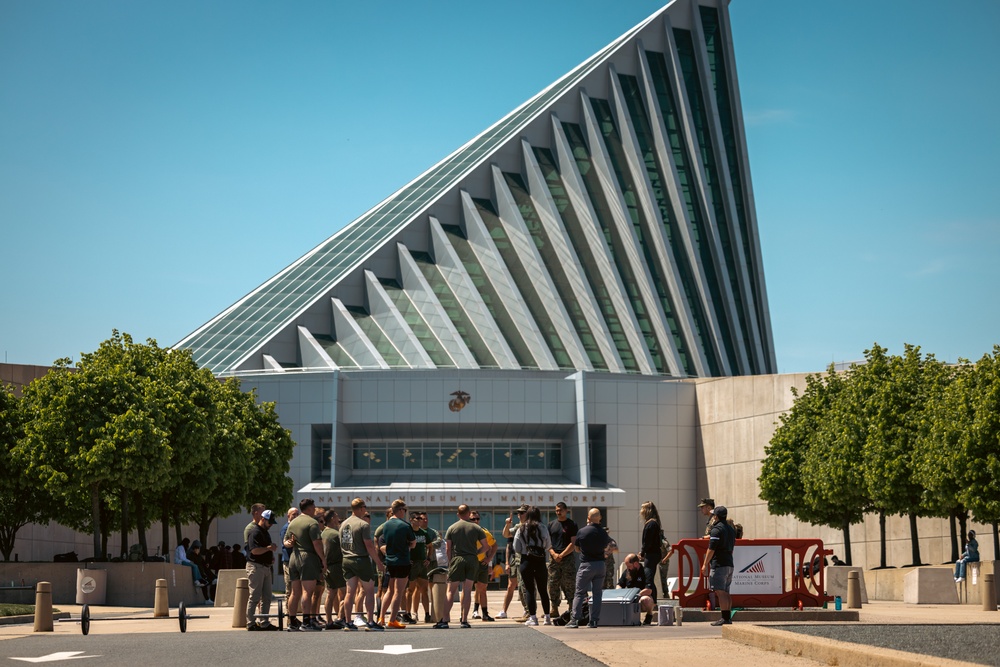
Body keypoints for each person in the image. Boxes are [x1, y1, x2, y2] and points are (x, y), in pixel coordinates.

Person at [437, 504, 489, 629]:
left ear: (458, 514)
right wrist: (475, 553)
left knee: (451, 591)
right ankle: (464, 620)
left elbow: (448, 548)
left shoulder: (452, 528)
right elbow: (486, 546)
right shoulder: (476, 528)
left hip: (457, 558)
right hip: (472, 559)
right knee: (467, 591)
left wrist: (451, 562)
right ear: (469, 513)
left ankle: (444, 620)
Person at [340, 498, 385, 631]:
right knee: (369, 591)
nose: (366, 509)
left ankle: (348, 622)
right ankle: (370, 622)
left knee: (350, 592)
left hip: (346, 559)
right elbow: (369, 546)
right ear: (360, 508)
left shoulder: (343, 524)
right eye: (365, 507)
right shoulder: (363, 524)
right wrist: (379, 562)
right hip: (360, 559)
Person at [284, 498, 326, 631]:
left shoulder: (293, 523)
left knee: (294, 592)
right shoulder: (312, 523)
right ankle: (306, 622)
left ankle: (292, 622)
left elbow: (286, 541)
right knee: (307, 591)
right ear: (309, 508)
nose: (315, 509)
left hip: (293, 558)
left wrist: (289, 544)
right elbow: (317, 544)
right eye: (313, 507)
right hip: (307, 558)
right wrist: (323, 560)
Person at [566, 508, 612, 629]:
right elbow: (607, 548)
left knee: (580, 592)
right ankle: (594, 621)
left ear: (588, 517)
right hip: (600, 565)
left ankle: (575, 619)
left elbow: (576, 549)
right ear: (599, 518)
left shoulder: (582, 531)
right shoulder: (603, 533)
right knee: (597, 594)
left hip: (586, 564)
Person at [380, 499, 416, 629]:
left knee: (389, 590)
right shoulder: (405, 525)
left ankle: (381, 617)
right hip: (402, 560)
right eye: (404, 510)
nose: (405, 513)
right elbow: (413, 542)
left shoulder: (386, 525)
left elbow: (383, 542)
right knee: (398, 592)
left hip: (390, 561)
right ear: (400, 510)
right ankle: (392, 620)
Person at [513, 505, 553, 626]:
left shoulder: (521, 528)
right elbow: (548, 545)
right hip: (540, 560)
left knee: (530, 590)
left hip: (526, 561)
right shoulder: (543, 527)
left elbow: (516, 547)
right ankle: (547, 617)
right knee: (543, 590)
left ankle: (533, 618)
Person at [701, 505, 736, 626]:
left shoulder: (716, 529)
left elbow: (711, 548)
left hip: (719, 564)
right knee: (726, 592)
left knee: (720, 592)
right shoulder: (730, 529)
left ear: (716, 516)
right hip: (729, 563)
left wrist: (705, 564)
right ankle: (728, 617)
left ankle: (724, 618)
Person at [245, 509, 279, 631]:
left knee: (267, 596)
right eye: (269, 522)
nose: (270, 525)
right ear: (262, 519)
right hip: (256, 566)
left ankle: (264, 621)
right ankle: (250, 623)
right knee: (254, 596)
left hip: (265, 566)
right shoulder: (255, 532)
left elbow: (265, 549)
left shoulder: (265, 532)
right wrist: (268, 548)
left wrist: (271, 554)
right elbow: (254, 551)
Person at [547, 501, 579, 617]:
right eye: (556, 510)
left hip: (567, 559)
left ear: (566, 511)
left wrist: (562, 555)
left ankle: (571, 607)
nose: (558, 512)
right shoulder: (551, 525)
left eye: (560, 510)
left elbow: (573, 543)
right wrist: (554, 554)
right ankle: (554, 608)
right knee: (553, 584)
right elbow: (547, 543)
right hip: (554, 559)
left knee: (569, 584)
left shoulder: (571, 524)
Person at [499, 505, 529, 619]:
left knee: (524, 586)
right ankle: (504, 611)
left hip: (527, 559)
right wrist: (507, 524)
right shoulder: (518, 527)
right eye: (518, 513)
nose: (519, 515)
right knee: (512, 585)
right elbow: (506, 536)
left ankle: (528, 610)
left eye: (522, 513)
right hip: (516, 560)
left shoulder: (534, 526)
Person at [405, 511, 435, 623]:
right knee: (410, 590)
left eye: (420, 518)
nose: (420, 520)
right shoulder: (408, 532)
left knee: (424, 590)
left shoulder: (423, 533)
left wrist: (428, 558)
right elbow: (403, 546)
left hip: (422, 564)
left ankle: (427, 614)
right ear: (411, 520)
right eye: (417, 518)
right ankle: (408, 614)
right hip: (412, 565)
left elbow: (430, 546)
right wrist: (407, 559)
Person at [321, 509, 346, 629]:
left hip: (327, 567)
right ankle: (341, 618)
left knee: (330, 594)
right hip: (337, 566)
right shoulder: (336, 534)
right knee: (347, 593)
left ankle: (329, 621)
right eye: (336, 516)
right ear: (331, 519)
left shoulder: (323, 533)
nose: (338, 518)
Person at [470, 510, 497, 622]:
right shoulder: (465, 531)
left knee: (482, 588)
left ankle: (484, 613)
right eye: (472, 519)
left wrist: (489, 560)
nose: (475, 521)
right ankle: (469, 612)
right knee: (468, 589)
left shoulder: (484, 532)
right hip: (469, 563)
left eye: (477, 519)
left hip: (481, 563)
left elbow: (493, 546)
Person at [618, 553, 656, 620]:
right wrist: (618, 592)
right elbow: (619, 585)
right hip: (629, 599)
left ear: (635, 564)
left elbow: (648, 590)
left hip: (641, 597)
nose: (628, 568)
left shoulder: (646, 572)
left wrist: (635, 596)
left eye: (629, 566)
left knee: (646, 599)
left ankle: (649, 615)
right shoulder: (627, 572)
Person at [639, 500, 663, 601]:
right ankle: (653, 600)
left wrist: (642, 552)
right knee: (650, 579)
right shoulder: (654, 523)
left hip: (651, 554)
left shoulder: (651, 524)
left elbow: (647, 542)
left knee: (648, 579)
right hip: (654, 554)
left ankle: (652, 601)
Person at [279, 506, 300, 594]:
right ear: (288, 516)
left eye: (297, 514)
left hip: (297, 561)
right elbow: (286, 543)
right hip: (288, 562)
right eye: (293, 514)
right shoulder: (286, 528)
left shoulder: (298, 526)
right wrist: (289, 543)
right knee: (290, 588)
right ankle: (288, 607)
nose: (296, 516)